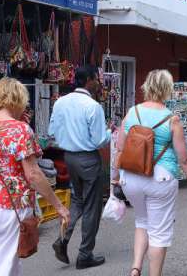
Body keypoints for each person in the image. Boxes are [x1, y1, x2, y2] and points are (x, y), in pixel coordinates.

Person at [0, 77, 70, 276]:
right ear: (18, 100)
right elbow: (33, 174)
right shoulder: (20, 130)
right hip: (9, 208)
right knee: (1, 268)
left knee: (1, 263)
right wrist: (58, 205)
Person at [116, 70, 187, 276]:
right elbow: (185, 160)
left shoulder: (132, 112)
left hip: (131, 178)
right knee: (159, 233)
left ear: (147, 86)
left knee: (141, 221)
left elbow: (120, 148)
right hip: (160, 179)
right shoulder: (171, 119)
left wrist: (115, 179)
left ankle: (135, 268)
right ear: (168, 90)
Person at [49, 66, 110, 269]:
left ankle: (63, 239)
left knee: (77, 199)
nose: (99, 83)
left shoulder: (60, 102)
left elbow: (52, 130)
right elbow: (101, 140)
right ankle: (85, 254)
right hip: (88, 158)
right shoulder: (92, 106)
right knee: (92, 205)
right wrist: (111, 132)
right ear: (89, 80)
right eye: (97, 79)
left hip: (69, 157)